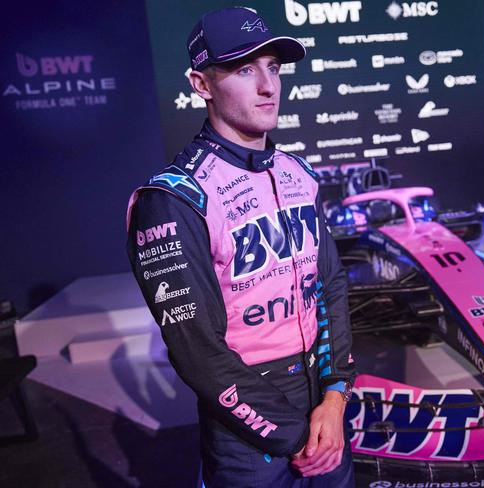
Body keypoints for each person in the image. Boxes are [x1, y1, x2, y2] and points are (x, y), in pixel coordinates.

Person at [125, 6, 356, 487]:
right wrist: (296, 435)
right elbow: (198, 352)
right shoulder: (172, 199)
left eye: (273, 67)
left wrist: (335, 399)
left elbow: (330, 286)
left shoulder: (298, 174)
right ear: (201, 85)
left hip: (324, 409)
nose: (268, 85)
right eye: (245, 69)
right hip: (250, 431)